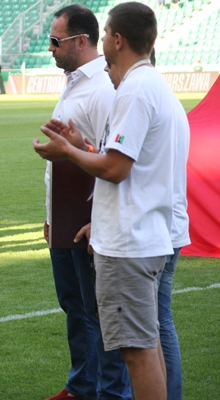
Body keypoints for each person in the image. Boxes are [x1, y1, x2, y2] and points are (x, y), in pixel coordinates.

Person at [34, 3, 188, 399]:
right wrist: (80, 146)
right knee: (146, 344)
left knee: (137, 351)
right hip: (140, 232)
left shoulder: (135, 89)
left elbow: (117, 167)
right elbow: (130, 166)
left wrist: (69, 153)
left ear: (117, 40)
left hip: (130, 243)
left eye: (104, 35)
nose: (103, 43)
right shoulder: (153, 85)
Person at [39, 5, 131, 400]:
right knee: (74, 307)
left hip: (89, 219)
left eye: (55, 41)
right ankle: (82, 385)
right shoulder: (76, 82)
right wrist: (50, 216)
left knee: (100, 313)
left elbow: (111, 159)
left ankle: (105, 390)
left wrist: (98, 219)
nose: (50, 49)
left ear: (81, 41)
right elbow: (73, 152)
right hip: (65, 217)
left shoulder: (103, 88)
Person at [105, 50, 189, 400]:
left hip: (149, 232)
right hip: (166, 226)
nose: (107, 71)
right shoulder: (166, 97)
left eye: (108, 63)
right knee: (155, 329)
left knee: (143, 342)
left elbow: (120, 170)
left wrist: (73, 152)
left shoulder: (140, 94)